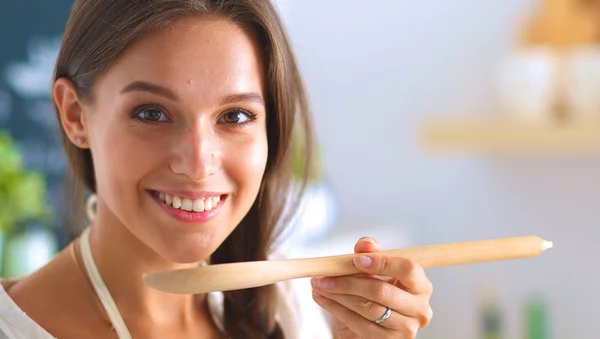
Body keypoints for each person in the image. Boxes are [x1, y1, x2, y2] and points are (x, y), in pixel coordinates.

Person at [0, 1, 433, 338]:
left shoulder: (290, 308)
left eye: (235, 116)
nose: (196, 164)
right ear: (76, 115)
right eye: (152, 113)